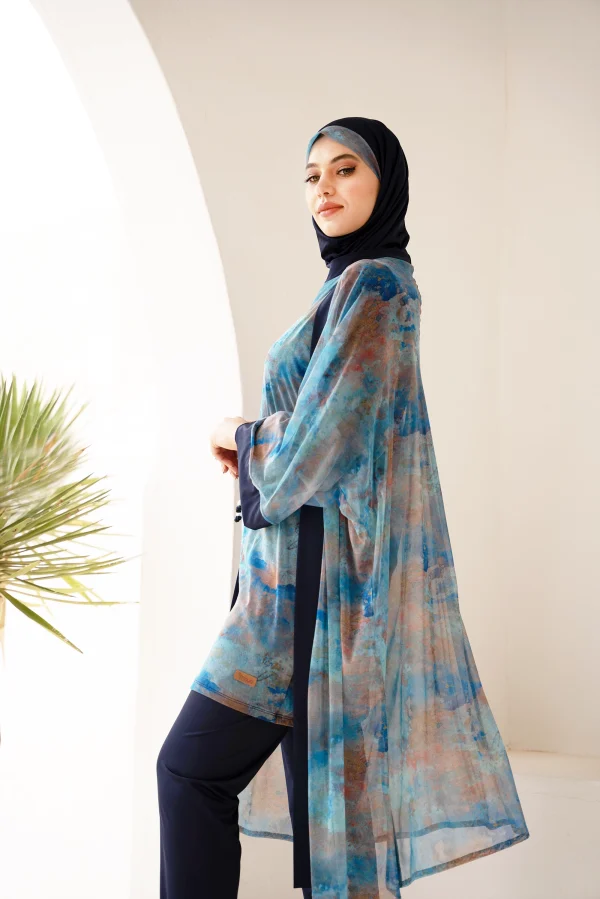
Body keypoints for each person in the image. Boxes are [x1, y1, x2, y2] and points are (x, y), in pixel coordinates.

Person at [157, 116, 530, 899]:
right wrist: (266, 448)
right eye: (311, 175)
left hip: (323, 598)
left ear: (385, 182)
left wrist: (239, 433)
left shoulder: (379, 286)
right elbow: (325, 431)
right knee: (320, 832)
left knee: (211, 778)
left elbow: (325, 441)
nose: (323, 187)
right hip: (290, 591)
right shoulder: (345, 285)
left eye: (345, 168)